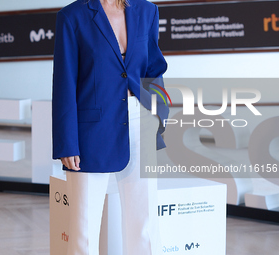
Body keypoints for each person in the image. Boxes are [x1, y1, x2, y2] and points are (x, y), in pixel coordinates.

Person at [52, 0, 169, 254]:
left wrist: (159, 115)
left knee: (145, 225)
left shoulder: (147, 11)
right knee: (84, 229)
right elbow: (64, 82)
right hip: (90, 133)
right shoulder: (72, 16)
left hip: (140, 122)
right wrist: (67, 141)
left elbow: (154, 68)